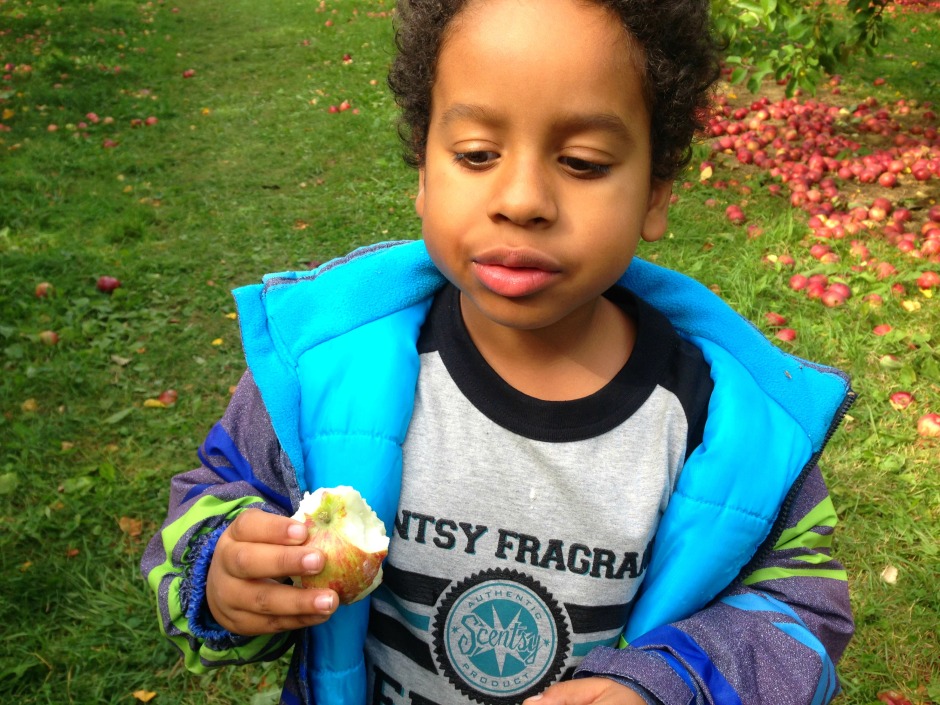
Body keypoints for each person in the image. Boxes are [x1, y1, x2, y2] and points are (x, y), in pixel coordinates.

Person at [141, 0, 856, 703]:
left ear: (656, 189)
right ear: (423, 170)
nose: (521, 199)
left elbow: (802, 624)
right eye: (477, 154)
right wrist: (220, 569)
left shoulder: (730, 430)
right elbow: (211, 498)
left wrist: (666, 685)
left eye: (582, 161)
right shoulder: (325, 371)